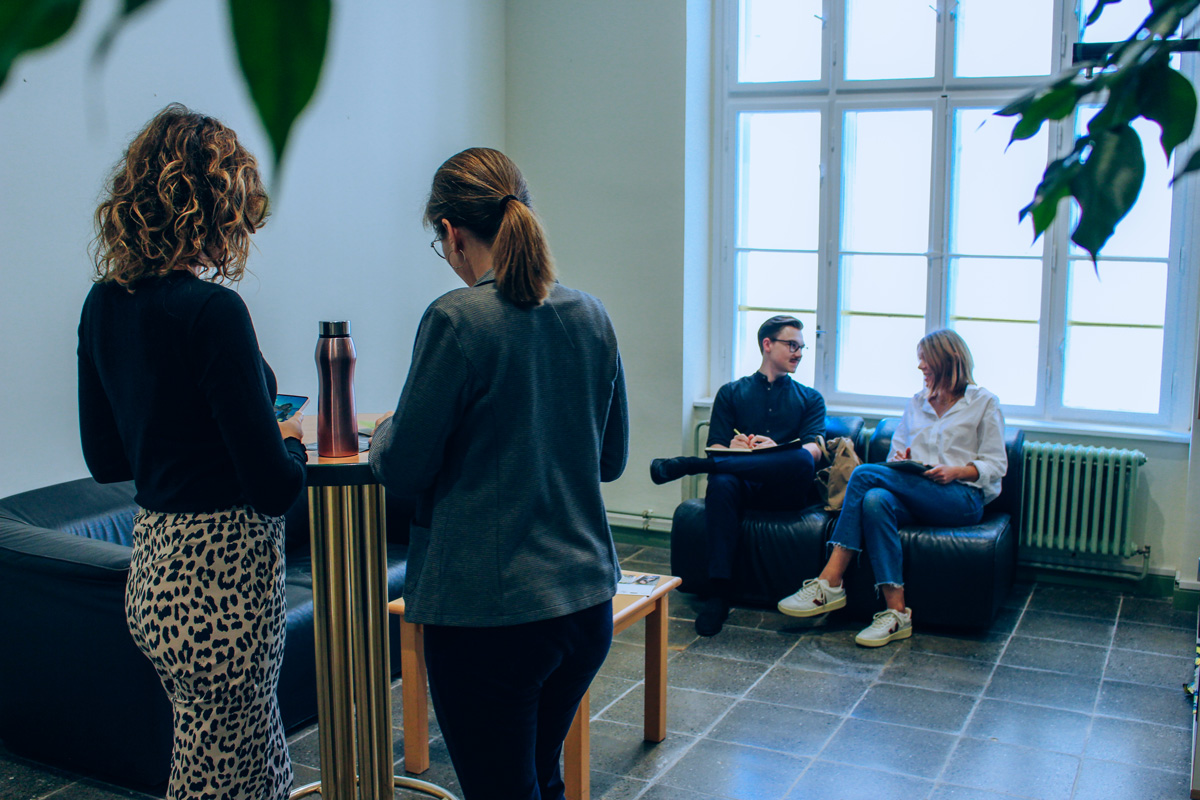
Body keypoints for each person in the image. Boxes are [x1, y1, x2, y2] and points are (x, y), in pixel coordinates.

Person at [369, 147, 628, 800]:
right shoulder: (592, 314)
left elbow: (403, 466)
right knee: (540, 778)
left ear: (452, 233)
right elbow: (610, 459)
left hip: (490, 618)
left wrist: (386, 430)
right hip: (584, 605)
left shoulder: (456, 318)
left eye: (442, 244)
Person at [77, 104, 306, 800]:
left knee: (250, 757)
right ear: (212, 205)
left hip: (156, 574)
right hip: (222, 587)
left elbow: (107, 461)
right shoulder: (213, 312)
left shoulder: (103, 304)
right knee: (218, 777)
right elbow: (272, 488)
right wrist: (290, 447)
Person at [777, 328, 1007, 647]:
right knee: (874, 499)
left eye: (925, 359)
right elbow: (894, 455)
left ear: (948, 359)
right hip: (917, 492)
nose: (920, 366)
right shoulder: (917, 403)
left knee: (864, 475)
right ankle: (896, 613)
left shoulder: (984, 402)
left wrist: (956, 471)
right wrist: (901, 459)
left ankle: (830, 580)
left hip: (962, 498)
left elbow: (996, 465)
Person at [649, 315, 826, 636]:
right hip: (742, 485)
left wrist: (777, 449)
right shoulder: (731, 393)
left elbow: (814, 450)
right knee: (722, 479)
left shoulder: (810, 398)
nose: (799, 353)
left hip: (785, 490)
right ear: (767, 344)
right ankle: (718, 593)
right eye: (792, 345)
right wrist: (732, 448)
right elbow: (716, 445)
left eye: (802, 347)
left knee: (801, 459)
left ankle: (691, 465)